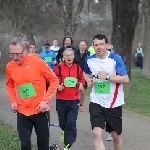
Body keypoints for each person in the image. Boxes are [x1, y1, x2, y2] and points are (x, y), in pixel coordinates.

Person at [6, 37, 59, 150]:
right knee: (25, 145)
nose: (15, 57)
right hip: (22, 111)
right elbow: (9, 85)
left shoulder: (38, 62)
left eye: (17, 54)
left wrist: (45, 100)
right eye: (12, 54)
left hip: (40, 110)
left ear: (25, 50)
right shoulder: (10, 67)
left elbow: (54, 80)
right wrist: (13, 101)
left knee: (43, 146)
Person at [83, 34, 129, 150]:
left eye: (101, 44)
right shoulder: (90, 60)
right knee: (96, 133)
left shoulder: (115, 59)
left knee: (116, 136)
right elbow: (85, 72)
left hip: (114, 102)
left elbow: (125, 79)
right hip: (96, 100)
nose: (99, 47)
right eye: (96, 45)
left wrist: (107, 77)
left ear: (106, 45)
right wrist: (88, 79)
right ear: (93, 46)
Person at [54, 48, 85, 150]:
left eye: (70, 55)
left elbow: (82, 80)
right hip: (61, 99)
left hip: (74, 99)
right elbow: (52, 80)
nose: (68, 57)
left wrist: (81, 85)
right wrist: (57, 86)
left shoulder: (77, 68)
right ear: (63, 56)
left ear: (73, 57)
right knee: (63, 123)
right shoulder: (58, 68)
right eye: (66, 55)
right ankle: (65, 133)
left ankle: (68, 144)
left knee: (71, 122)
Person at [74, 40, 90, 112]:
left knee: (82, 92)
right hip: (75, 74)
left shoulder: (89, 54)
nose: (82, 46)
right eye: (81, 45)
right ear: (79, 46)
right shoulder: (74, 53)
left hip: (84, 74)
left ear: (86, 46)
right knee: (75, 90)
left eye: (84, 45)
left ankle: (81, 105)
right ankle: (75, 104)